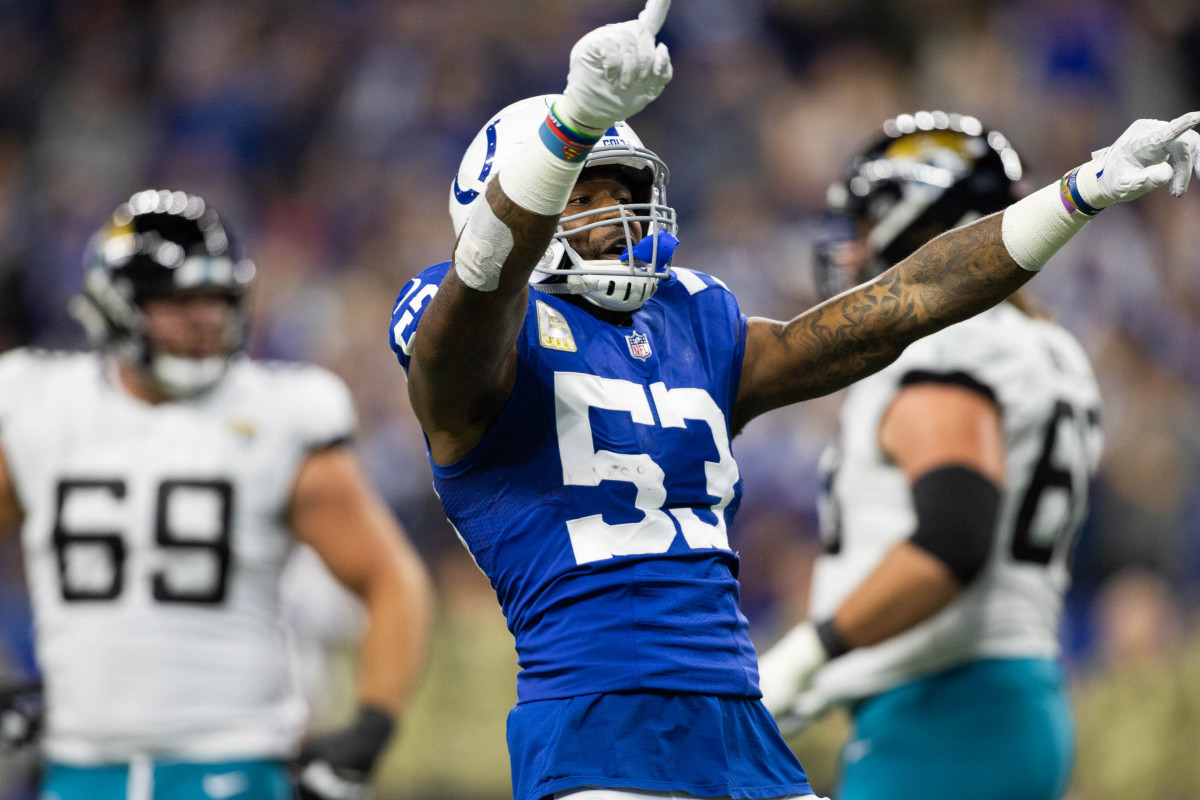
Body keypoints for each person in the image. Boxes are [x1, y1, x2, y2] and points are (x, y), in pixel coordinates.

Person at [387, 1, 1199, 797]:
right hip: (599, 729)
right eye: (578, 193)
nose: (609, 219)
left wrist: (1078, 194)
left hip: (741, 726)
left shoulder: (694, 319)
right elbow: (480, 295)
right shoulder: (464, 335)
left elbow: (901, 306)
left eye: (616, 190)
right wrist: (571, 122)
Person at [0, 189, 434, 800]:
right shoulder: (38, 404)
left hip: (234, 762)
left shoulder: (281, 413)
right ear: (115, 303)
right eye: (177, 302)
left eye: (216, 298)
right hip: (79, 766)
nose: (203, 319)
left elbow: (392, 580)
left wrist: (370, 726)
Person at [755, 114, 1103, 800]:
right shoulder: (1047, 345)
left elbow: (953, 536)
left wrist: (814, 649)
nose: (849, 252)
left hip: (949, 714)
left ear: (919, 227)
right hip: (1003, 699)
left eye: (862, 227)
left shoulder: (951, 345)